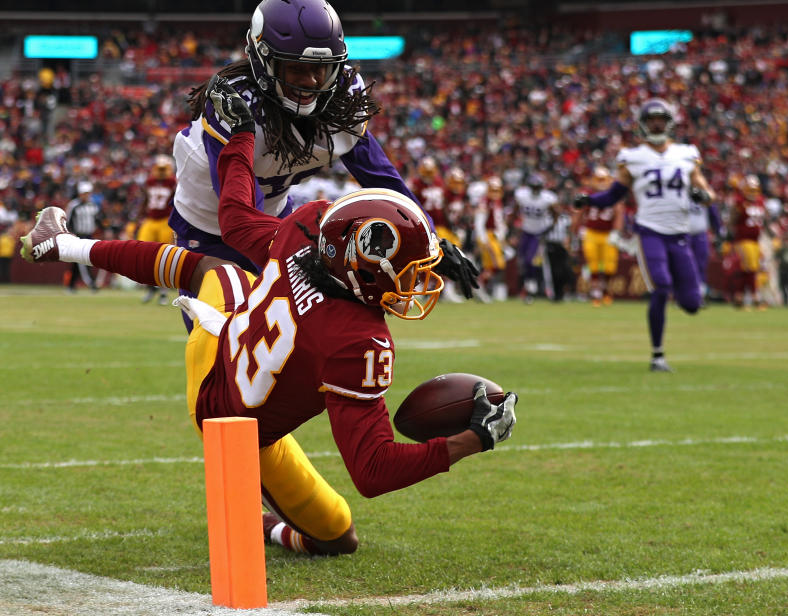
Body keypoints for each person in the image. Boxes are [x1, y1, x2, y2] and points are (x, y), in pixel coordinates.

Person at [20, 78, 517, 557]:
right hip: (235, 429)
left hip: (222, 354)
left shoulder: (305, 230)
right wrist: (475, 438)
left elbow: (234, 217)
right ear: (365, 270)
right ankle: (61, 244)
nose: (414, 286)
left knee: (209, 268)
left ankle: (61, 245)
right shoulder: (361, 342)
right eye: (407, 274)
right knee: (338, 534)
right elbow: (373, 471)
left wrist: (236, 140)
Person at [169, 0, 477, 312]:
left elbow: (381, 178)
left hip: (273, 216)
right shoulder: (236, 111)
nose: (314, 82)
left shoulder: (341, 100)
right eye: (298, 69)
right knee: (224, 344)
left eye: (321, 68)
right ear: (263, 60)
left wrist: (428, 238)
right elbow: (243, 218)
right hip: (208, 229)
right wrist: (308, 251)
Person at [574, 98, 715, 372]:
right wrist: (589, 200)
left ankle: (674, 322)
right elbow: (614, 195)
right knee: (661, 286)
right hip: (649, 230)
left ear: (670, 122)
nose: (656, 125)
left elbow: (707, 191)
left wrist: (703, 195)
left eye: (660, 119)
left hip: (680, 233)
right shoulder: (633, 157)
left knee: (691, 303)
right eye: (651, 120)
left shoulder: (686, 153)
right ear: (642, 124)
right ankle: (657, 355)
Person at [576, 166, 624, 307]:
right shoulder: (588, 195)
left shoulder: (614, 196)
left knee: (609, 266)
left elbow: (618, 214)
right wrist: (577, 228)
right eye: (598, 179)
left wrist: (616, 231)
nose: (601, 182)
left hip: (607, 234)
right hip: (591, 233)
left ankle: (607, 292)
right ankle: (596, 293)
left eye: (603, 179)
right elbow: (579, 213)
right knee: (593, 264)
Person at [136, 155, 177, 304]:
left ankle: (163, 292)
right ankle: (150, 288)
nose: (160, 172)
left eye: (163, 169)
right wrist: (140, 216)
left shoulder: (173, 182)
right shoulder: (150, 181)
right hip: (151, 219)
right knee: (143, 253)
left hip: (165, 221)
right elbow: (146, 200)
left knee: (164, 256)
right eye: (158, 169)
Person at [513, 171, 559, 303]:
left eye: (537, 187)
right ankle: (527, 287)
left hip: (538, 233)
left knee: (530, 260)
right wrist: (513, 227)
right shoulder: (522, 195)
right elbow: (515, 211)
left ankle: (532, 286)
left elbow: (556, 214)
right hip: (526, 231)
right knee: (522, 260)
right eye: (533, 187)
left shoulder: (547, 198)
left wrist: (549, 228)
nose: (535, 190)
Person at [729, 174, 767, 309]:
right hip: (743, 240)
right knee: (747, 268)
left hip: (756, 241)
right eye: (750, 189)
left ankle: (743, 297)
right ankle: (751, 297)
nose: (753, 192)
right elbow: (732, 219)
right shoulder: (739, 202)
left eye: (754, 189)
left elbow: (763, 220)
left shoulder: (761, 201)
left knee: (752, 269)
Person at [64, 181, 103, 292]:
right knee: (82, 260)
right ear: (80, 193)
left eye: (88, 193)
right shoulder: (74, 205)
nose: (87, 195)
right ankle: (91, 283)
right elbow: (68, 221)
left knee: (78, 261)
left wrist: (101, 228)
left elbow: (98, 219)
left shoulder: (93, 205)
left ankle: (71, 285)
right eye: (84, 193)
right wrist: (70, 234)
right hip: (78, 235)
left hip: (89, 235)